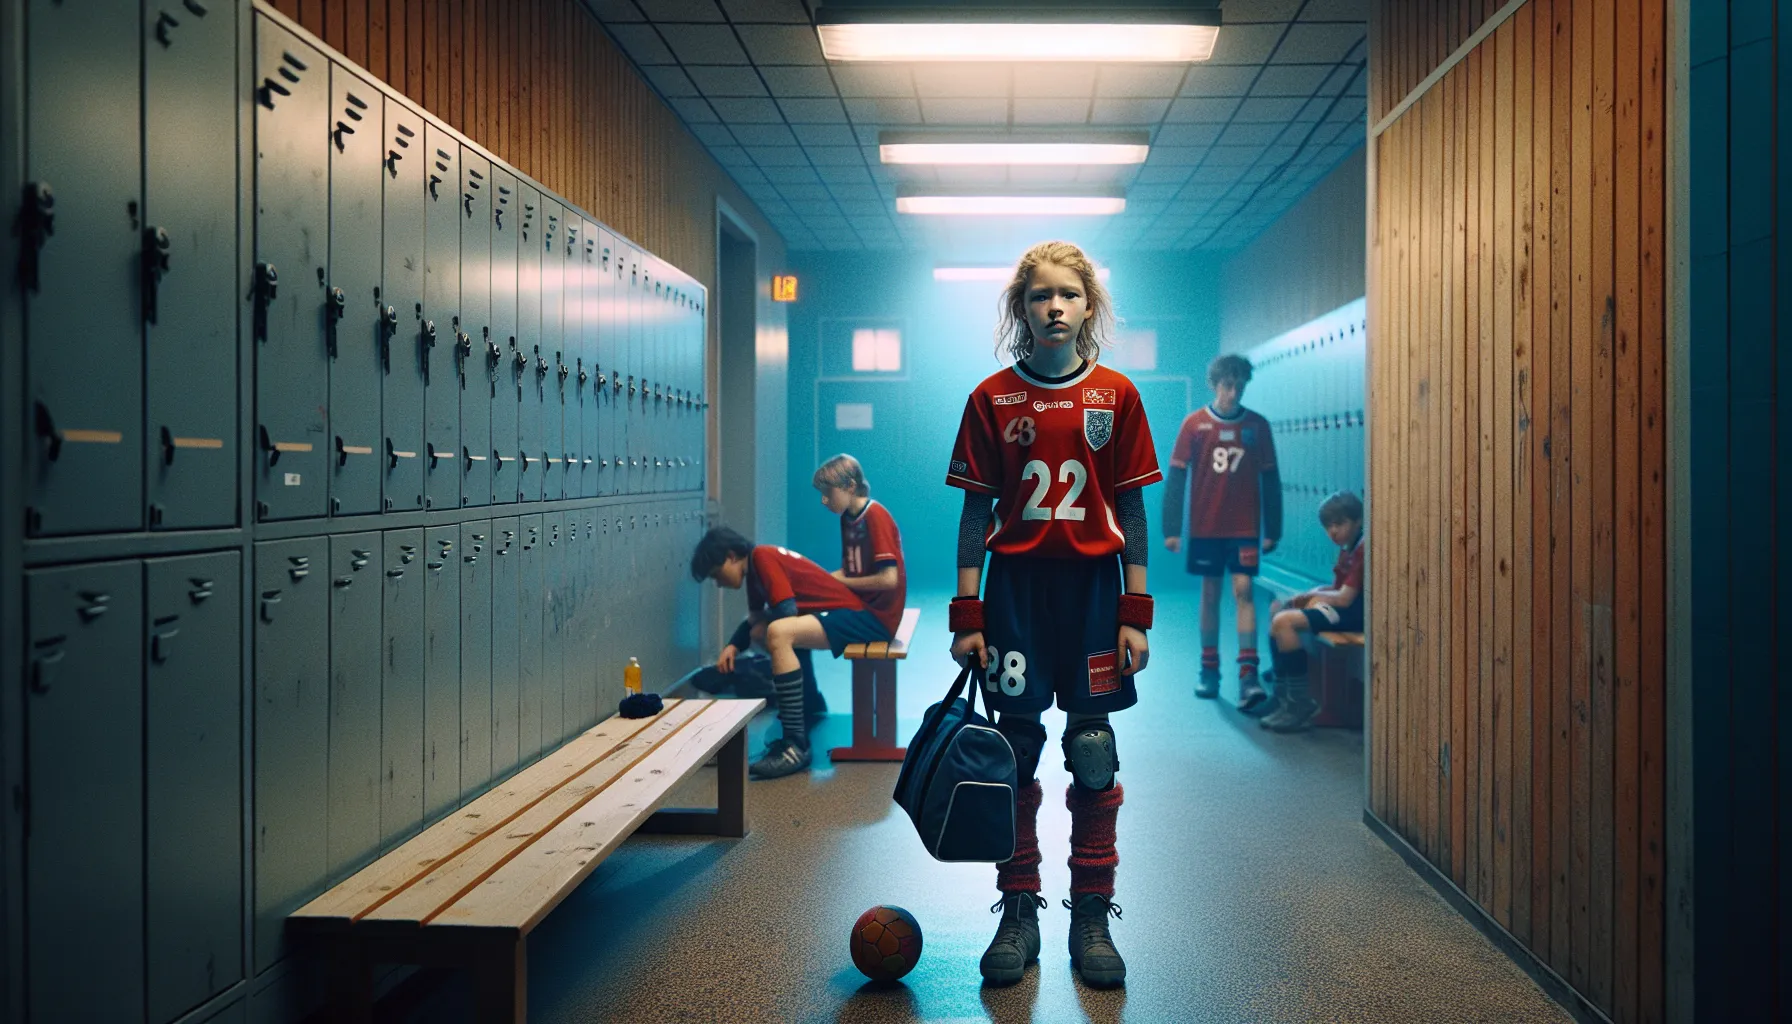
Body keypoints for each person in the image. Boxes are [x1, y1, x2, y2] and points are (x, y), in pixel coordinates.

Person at [946, 240, 1159, 989]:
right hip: (1016, 590)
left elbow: (1130, 505)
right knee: (1017, 749)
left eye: (1070, 294)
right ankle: (1019, 908)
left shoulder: (1117, 396)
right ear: (1021, 309)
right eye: (1040, 296)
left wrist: (1137, 609)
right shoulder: (991, 397)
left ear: (1089, 307)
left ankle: (1092, 912)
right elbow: (977, 513)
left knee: (1094, 749)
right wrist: (966, 612)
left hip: (1094, 591)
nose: (1056, 307)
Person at [689, 526, 889, 779]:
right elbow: (756, 618)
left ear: (731, 556)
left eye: (717, 574)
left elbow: (786, 610)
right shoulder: (754, 570)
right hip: (844, 615)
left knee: (779, 632)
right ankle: (810, 703)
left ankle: (796, 744)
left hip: (856, 617)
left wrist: (766, 641)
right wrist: (734, 645)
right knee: (768, 631)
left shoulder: (761, 556)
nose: (718, 583)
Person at [1162, 354, 1282, 706]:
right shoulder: (1194, 424)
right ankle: (1209, 669)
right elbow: (1177, 477)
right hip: (1205, 527)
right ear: (1214, 385)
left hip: (1244, 526)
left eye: (1240, 385)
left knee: (1244, 591)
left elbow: (1271, 478)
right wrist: (1172, 528)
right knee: (1211, 594)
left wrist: (1273, 528)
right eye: (1228, 385)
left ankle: (1248, 675)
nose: (1234, 392)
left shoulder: (1257, 426)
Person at [1259, 491, 1365, 733]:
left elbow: (1346, 598)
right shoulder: (1348, 546)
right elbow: (1338, 587)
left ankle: (1298, 703)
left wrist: (1313, 597)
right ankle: (1281, 692)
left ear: (1357, 520)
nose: (1333, 532)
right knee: (1279, 607)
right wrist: (1314, 593)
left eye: (1340, 524)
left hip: (1353, 615)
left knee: (1285, 622)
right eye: (1329, 526)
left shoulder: (1362, 547)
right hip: (1343, 609)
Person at [813, 454, 908, 642]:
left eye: (828, 493)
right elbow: (849, 571)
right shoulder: (846, 518)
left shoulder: (875, 515)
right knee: (801, 608)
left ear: (850, 486)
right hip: (860, 604)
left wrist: (841, 582)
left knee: (793, 629)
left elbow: (889, 580)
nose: (824, 500)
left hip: (879, 617)